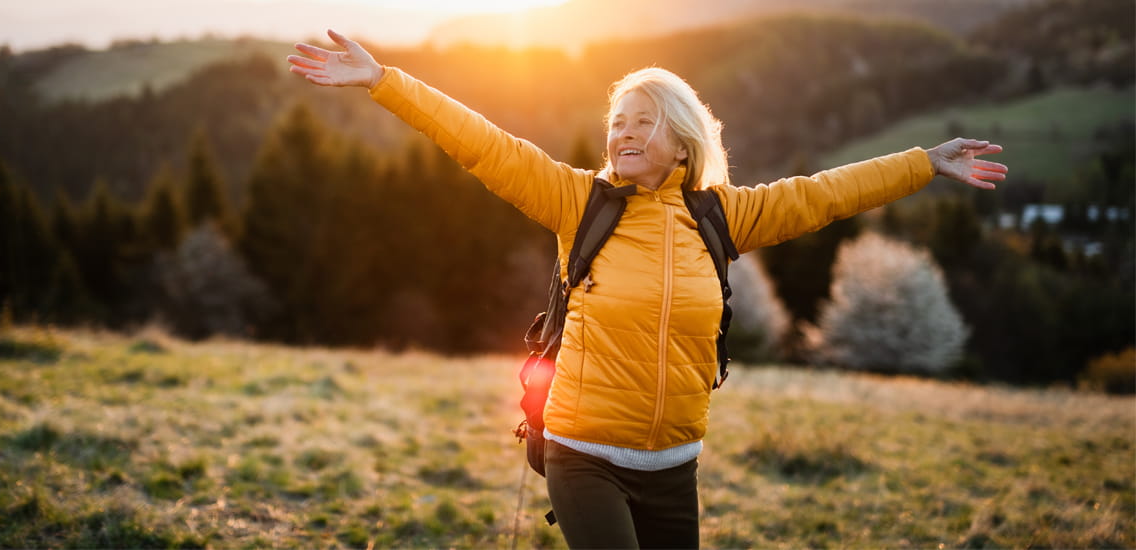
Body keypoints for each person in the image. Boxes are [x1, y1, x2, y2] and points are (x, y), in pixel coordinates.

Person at [288, 29, 1006, 549]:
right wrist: (385, 81)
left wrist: (924, 163)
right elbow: (482, 142)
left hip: (675, 466)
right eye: (616, 123)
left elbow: (824, 195)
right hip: (581, 454)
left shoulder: (721, 217)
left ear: (683, 140)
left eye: (642, 121)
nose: (622, 134)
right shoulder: (579, 203)